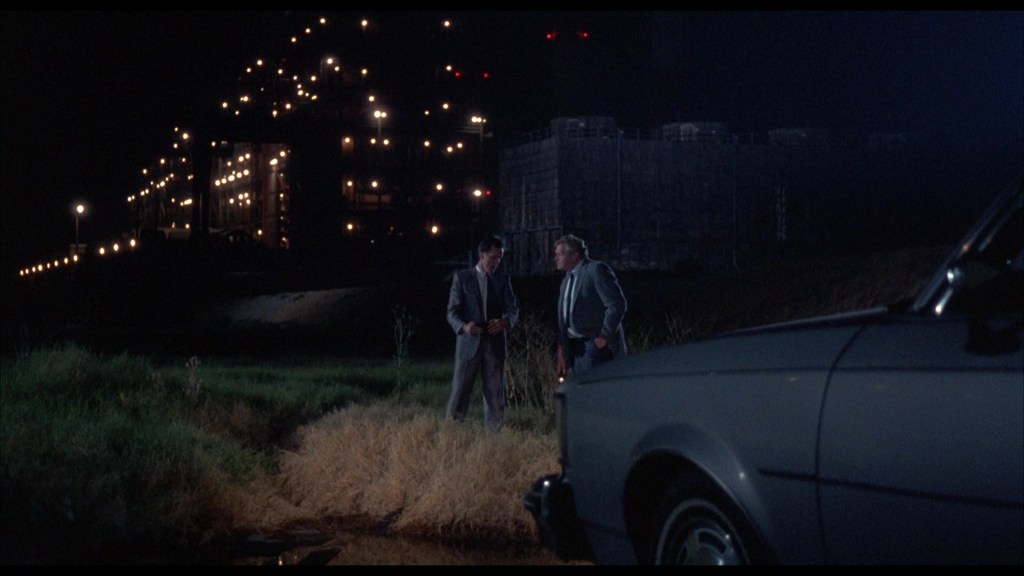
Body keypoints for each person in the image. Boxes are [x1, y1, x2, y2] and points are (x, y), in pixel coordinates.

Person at [445, 236, 519, 431]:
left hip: (494, 344)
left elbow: (513, 309)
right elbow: (452, 312)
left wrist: (505, 322)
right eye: (493, 258)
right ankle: (452, 433)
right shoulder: (462, 278)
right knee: (460, 392)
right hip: (469, 343)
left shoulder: (502, 279)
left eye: (499, 259)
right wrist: (464, 327)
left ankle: (494, 437)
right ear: (481, 255)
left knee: (495, 394)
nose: (496, 263)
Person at [554, 234, 627, 377]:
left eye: (560, 254)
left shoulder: (595, 270)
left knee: (596, 391)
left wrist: (604, 336)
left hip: (593, 345)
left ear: (574, 255)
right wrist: (562, 348)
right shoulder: (566, 281)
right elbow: (564, 315)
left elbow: (616, 304)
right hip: (575, 348)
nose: (556, 259)